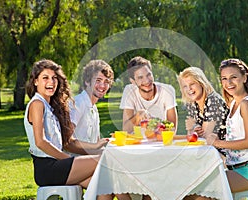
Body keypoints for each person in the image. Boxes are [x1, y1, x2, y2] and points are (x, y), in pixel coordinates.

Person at [24, 59, 129, 200]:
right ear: (35, 81)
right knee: (107, 161)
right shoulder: (37, 104)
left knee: (106, 188)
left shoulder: (49, 107)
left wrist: (97, 145)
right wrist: (67, 160)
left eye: (54, 78)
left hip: (59, 165)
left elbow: (66, 139)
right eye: (45, 78)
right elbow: (40, 142)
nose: (51, 82)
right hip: (49, 168)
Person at [205, 58, 248, 194]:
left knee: (202, 192)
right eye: (224, 78)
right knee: (197, 188)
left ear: (245, 78)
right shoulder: (234, 103)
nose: (228, 83)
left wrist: (218, 143)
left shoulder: (246, 104)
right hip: (234, 169)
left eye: (233, 77)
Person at [120, 56, 178, 133]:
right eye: (140, 77)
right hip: (137, 141)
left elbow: (172, 128)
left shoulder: (167, 91)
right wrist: (137, 116)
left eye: (148, 75)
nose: (147, 81)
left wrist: (158, 128)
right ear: (133, 81)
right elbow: (126, 130)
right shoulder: (129, 91)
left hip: (160, 140)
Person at [178, 67, 229, 143]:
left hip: (223, 150)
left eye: (192, 84)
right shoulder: (192, 104)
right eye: (185, 86)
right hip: (208, 148)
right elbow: (191, 135)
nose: (189, 89)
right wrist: (194, 128)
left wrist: (194, 129)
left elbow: (205, 137)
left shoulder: (213, 101)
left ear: (201, 83)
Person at [69, 60, 113, 147]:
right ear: (87, 81)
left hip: (90, 157)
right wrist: (95, 148)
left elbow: (96, 143)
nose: (102, 86)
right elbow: (67, 142)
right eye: (98, 80)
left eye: (106, 82)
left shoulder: (94, 109)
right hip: (76, 159)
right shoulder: (78, 103)